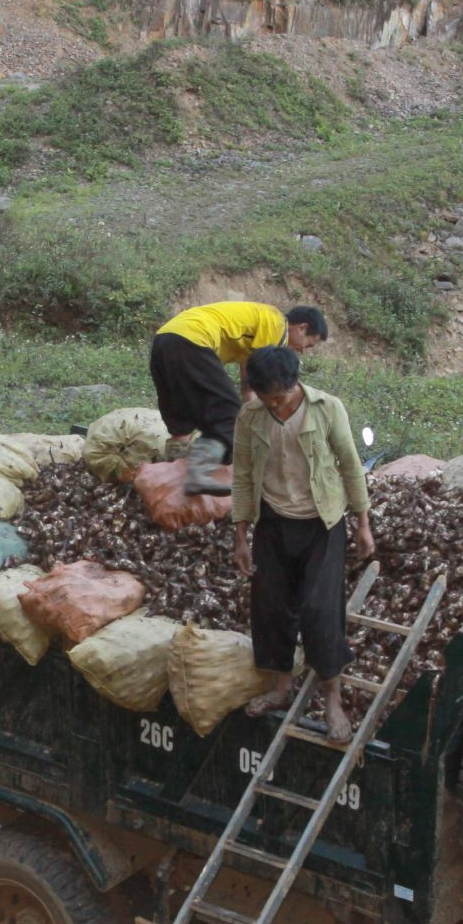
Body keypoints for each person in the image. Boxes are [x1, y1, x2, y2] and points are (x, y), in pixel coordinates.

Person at [231, 344, 373, 744]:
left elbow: (349, 464)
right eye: (266, 398)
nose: (275, 405)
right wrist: (240, 535)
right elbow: (242, 476)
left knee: (320, 611)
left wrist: (362, 523)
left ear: (295, 384)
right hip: (273, 523)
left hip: (321, 524)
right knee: (271, 608)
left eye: (280, 397)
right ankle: (280, 688)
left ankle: (333, 699)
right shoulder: (250, 417)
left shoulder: (328, 409)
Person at [150, 300, 328, 495]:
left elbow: (249, 382)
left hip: (164, 338)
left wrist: (252, 408)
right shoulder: (276, 324)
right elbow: (262, 376)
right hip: (193, 340)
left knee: (179, 414)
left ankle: (173, 469)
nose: (302, 351)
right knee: (227, 414)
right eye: (307, 345)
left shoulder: (259, 323)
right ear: (302, 328)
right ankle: (198, 471)